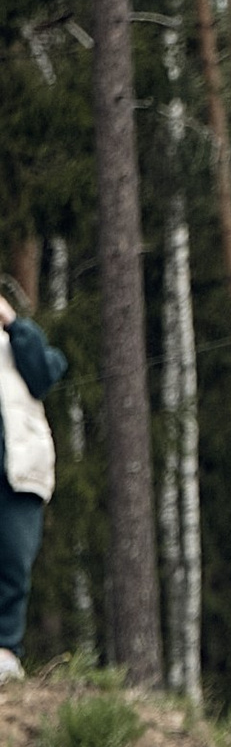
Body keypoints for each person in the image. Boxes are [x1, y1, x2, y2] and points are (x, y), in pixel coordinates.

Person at [0, 276, 68, 680]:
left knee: (12, 560)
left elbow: (45, 372)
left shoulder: (20, 343)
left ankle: (5, 650)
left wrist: (11, 321)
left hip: (18, 472)